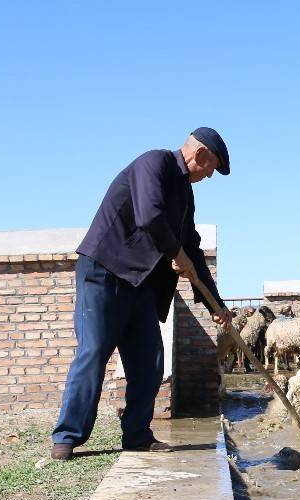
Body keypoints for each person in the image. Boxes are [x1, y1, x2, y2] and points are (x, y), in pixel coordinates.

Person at [51, 128, 232, 460]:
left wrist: (216, 305)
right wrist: (176, 253)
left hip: (141, 285)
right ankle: (67, 437)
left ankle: (137, 435)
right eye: (211, 168)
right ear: (201, 155)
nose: (209, 176)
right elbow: (150, 215)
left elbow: (191, 249)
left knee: (150, 361)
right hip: (104, 272)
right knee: (93, 353)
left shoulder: (186, 195)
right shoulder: (154, 163)